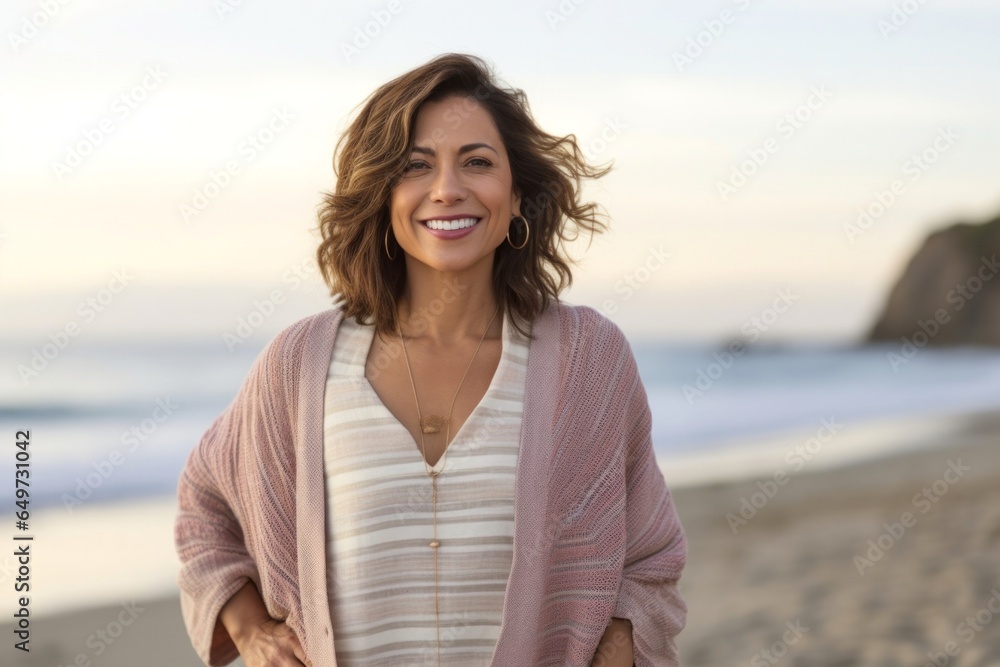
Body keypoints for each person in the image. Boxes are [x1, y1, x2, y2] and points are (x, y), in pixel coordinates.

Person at [175, 52, 687, 667]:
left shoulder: (588, 360)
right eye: (416, 167)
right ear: (383, 196)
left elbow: (650, 554)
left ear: (518, 193)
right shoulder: (301, 366)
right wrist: (252, 629)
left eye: (477, 162)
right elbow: (205, 502)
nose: (447, 189)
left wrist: (618, 641)